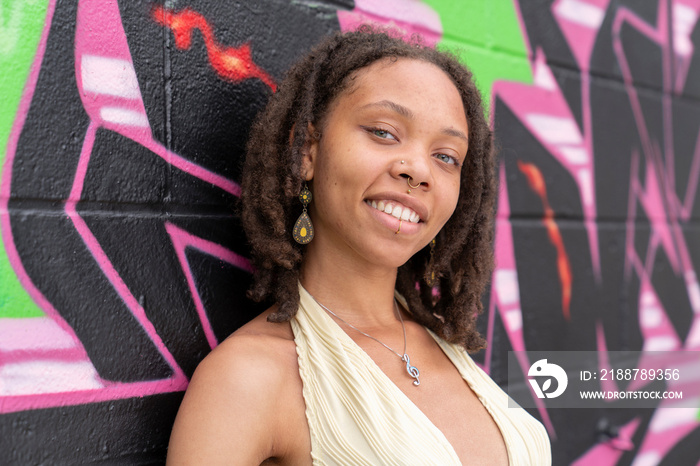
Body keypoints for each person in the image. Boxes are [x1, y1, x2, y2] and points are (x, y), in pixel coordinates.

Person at [167, 27, 551, 465]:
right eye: (385, 132)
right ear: (308, 150)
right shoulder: (248, 379)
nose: (418, 170)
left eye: (446, 156)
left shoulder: (444, 343)